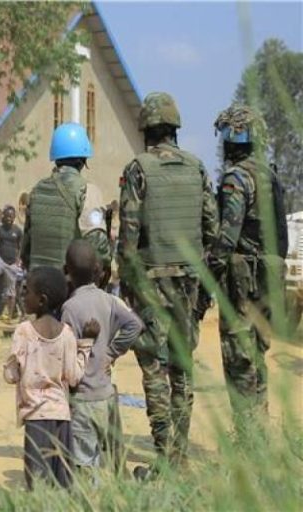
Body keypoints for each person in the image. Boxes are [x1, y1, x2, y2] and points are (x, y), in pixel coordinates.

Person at [118, 92, 218, 473]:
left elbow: (128, 237)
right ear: (174, 129)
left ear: (146, 130)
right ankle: (180, 453)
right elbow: (212, 230)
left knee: (154, 368)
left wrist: (128, 284)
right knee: (182, 367)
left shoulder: (138, 170)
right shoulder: (197, 168)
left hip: (151, 283)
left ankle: (163, 449)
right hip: (189, 285)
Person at [208, 104, 287, 436]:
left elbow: (228, 236)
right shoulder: (270, 175)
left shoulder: (237, 177)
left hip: (242, 283)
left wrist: (210, 273)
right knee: (257, 356)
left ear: (231, 140)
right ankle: (259, 433)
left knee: (238, 359)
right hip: (267, 281)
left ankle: (247, 438)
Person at [3, 266, 91, 490]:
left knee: (38, 485)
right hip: (62, 417)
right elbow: (73, 377)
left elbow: (11, 376)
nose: (23, 295)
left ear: (41, 300)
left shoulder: (23, 331)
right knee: (61, 483)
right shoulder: (67, 334)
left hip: (36, 418)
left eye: (27, 291)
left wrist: (13, 367)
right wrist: (86, 346)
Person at [61, 240, 142, 473]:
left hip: (82, 398)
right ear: (98, 270)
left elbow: (66, 354)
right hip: (105, 396)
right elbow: (135, 325)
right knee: (104, 455)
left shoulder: (70, 308)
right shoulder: (108, 300)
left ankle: (92, 493)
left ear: (67, 271)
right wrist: (111, 353)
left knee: (85, 464)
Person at [21, 123, 111, 284]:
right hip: (68, 285)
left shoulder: (37, 191)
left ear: (56, 158)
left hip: (38, 282)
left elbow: (26, 247)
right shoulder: (87, 191)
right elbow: (97, 242)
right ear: (83, 160)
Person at [0, 206, 23, 321]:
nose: (9, 218)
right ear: (3, 217)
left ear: (14, 217)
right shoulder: (0, 230)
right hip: (1, 260)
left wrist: (18, 258)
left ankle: (9, 316)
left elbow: (20, 246)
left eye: (11, 216)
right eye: (7, 216)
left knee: (11, 292)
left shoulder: (18, 231)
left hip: (12, 263)